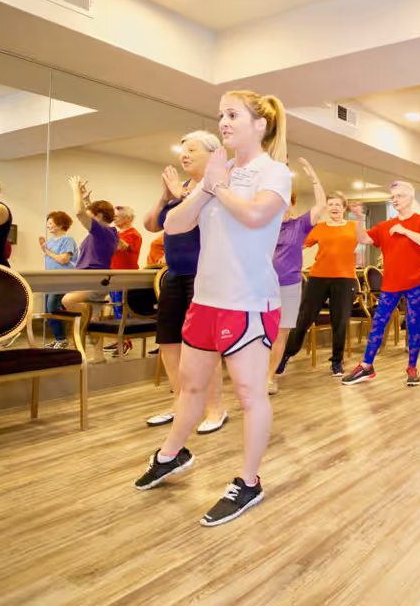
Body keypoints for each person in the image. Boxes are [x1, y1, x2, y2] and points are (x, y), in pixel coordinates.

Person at [134, 90, 291, 528]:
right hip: (205, 299)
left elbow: (257, 217)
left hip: (248, 302)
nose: (223, 122)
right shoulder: (217, 175)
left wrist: (218, 183)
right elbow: (173, 224)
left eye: (233, 115)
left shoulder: (273, 172)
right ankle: (171, 454)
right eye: (220, 114)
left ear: (259, 125)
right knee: (189, 386)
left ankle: (248, 481)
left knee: (248, 394)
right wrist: (209, 184)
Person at [141, 131, 227, 434]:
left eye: (192, 149)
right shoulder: (181, 188)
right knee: (168, 341)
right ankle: (181, 404)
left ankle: (216, 408)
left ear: (213, 154)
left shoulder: (218, 184)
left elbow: (213, 216)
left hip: (204, 276)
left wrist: (180, 192)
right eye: (182, 150)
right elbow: (152, 224)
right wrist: (166, 195)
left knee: (204, 347)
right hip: (174, 275)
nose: (184, 155)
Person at [341, 181, 420, 387]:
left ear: (411, 197)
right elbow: (363, 239)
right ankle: (366, 366)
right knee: (378, 323)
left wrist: (405, 231)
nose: (395, 200)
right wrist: (358, 218)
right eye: (393, 196)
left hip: (416, 281)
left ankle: (412, 367)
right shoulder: (385, 226)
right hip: (391, 283)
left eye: (399, 196)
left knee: (413, 324)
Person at [278, 191, 358, 378]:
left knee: (340, 322)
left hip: (345, 279)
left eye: (338, 204)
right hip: (318, 278)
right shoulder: (319, 228)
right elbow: (299, 244)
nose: (334, 208)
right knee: (303, 319)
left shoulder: (354, 227)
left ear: (344, 208)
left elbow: (373, 239)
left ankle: (337, 362)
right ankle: (285, 356)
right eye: (330, 205)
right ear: (327, 208)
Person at [266, 157, 327, 394]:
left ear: (292, 205)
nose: (282, 207)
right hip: (261, 286)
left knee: (280, 333)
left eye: (287, 203)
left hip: (289, 286)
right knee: (260, 334)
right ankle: (254, 376)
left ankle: (269, 377)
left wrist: (313, 177)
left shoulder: (300, 225)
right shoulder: (261, 226)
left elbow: (321, 204)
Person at [61, 177, 118, 316]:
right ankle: (93, 319)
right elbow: (92, 216)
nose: (88, 215)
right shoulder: (106, 232)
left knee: (68, 301)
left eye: (91, 214)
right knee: (86, 327)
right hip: (89, 279)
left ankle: (92, 317)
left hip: (95, 281)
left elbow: (80, 213)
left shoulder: (104, 232)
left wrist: (76, 190)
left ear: (98, 215)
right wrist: (87, 201)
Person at [105, 206, 143, 354]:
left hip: (125, 277)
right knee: (116, 308)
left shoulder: (134, 234)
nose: (114, 219)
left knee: (122, 308)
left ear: (128, 218)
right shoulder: (119, 233)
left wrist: (109, 232)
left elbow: (124, 247)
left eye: (117, 217)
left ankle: (125, 341)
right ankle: (120, 339)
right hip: (115, 275)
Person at [38, 211, 78, 349]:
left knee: (53, 307)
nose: (48, 226)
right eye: (48, 223)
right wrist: (44, 249)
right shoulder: (50, 241)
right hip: (51, 279)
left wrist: (47, 251)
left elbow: (63, 259)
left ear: (61, 225)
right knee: (48, 310)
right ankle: (58, 339)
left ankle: (62, 339)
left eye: (51, 223)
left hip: (62, 279)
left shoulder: (67, 239)